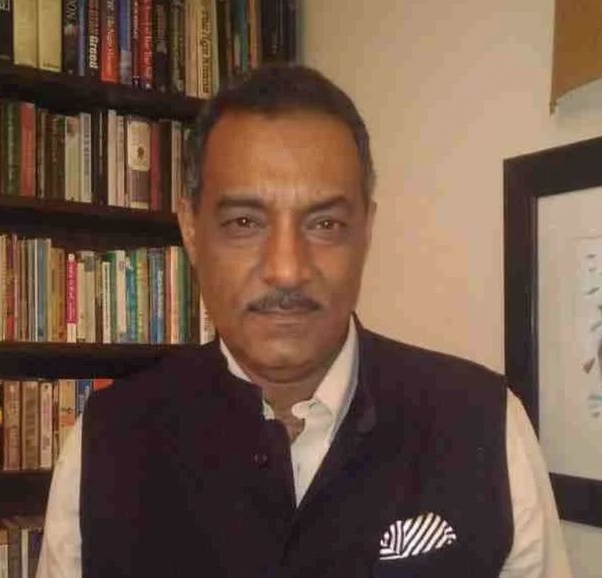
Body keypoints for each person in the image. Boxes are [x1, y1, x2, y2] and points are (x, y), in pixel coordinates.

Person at [37, 65, 571, 578]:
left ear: (366, 232)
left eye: (325, 223)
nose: (287, 269)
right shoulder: (105, 443)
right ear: (192, 232)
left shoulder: (485, 423)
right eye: (244, 222)